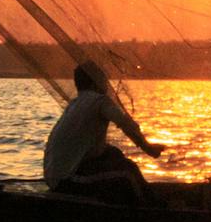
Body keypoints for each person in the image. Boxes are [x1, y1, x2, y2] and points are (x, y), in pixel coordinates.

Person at [42, 59, 156, 196]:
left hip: (53, 176)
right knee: (129, 171)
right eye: (103, 79)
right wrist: (147, 147)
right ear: (94, 82)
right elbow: (124, 123)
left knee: (113, 153)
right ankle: (148, 206)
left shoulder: (75, 104)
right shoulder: (99, 101)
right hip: (66, 180)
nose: (106, 83)